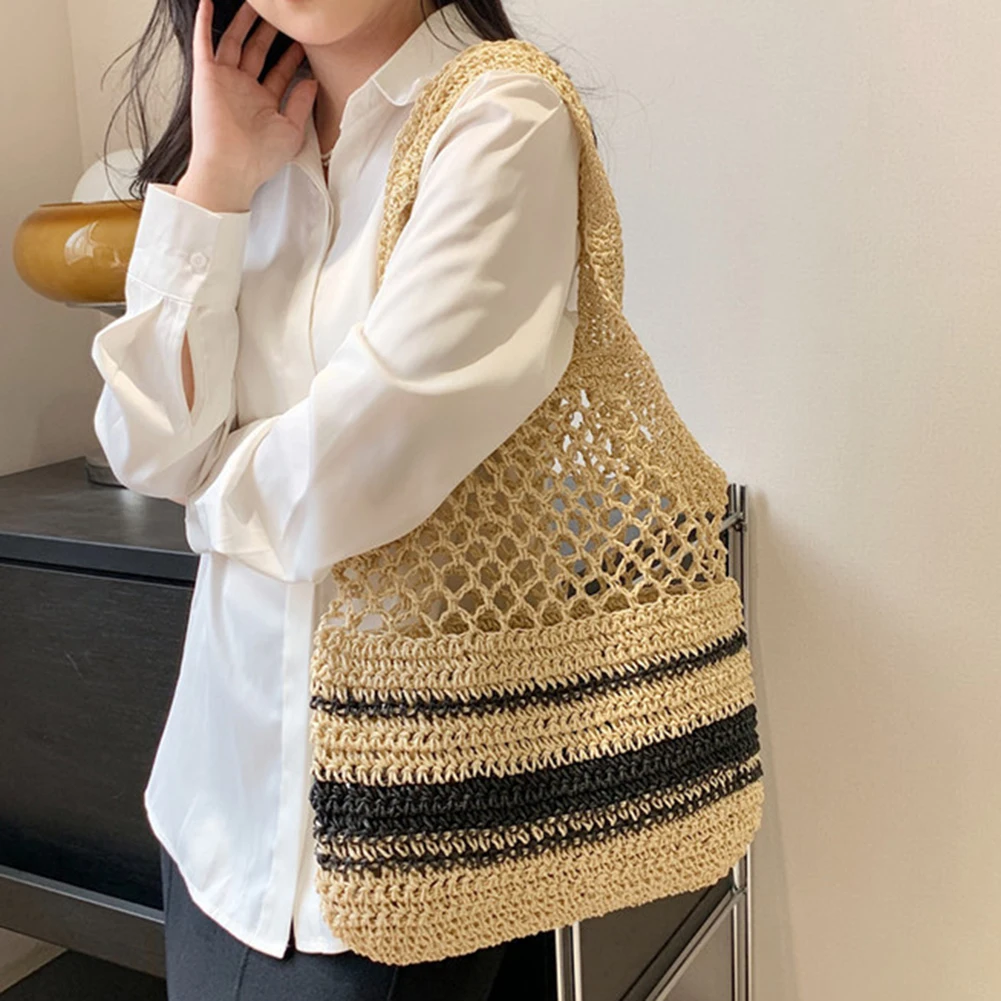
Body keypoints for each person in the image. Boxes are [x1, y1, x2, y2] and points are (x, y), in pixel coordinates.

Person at [91, 0, 580, 996]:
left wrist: (203, 483)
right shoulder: (248, 134)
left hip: (397, 839)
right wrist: (217, 181)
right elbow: (143, 440)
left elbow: (349, 472)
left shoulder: (501, 117)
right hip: (213, 805)